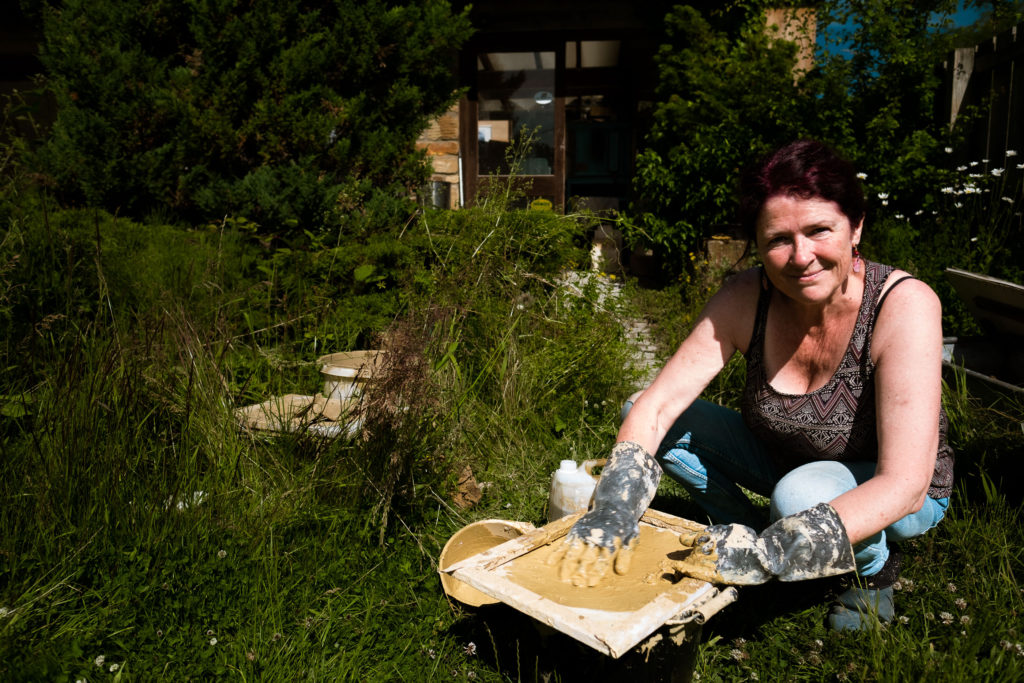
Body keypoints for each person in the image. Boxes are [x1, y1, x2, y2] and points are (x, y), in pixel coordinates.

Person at [548, 139, 953, 631]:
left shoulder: (904, 305)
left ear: (856, 227)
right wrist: (613, 506)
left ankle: (872, 573)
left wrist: (768, 556)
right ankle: (738, 529)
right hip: (786, 457)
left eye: (819, 231)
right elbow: (656, 409)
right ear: (758, 246)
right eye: (778, 240)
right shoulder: (746, 296)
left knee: (801, 495)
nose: (801, 257)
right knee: (646, 411)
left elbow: (905, 484)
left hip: (892, 488)